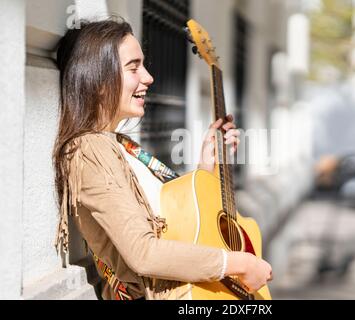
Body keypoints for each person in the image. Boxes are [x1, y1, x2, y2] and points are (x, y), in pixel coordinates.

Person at [52, 17, 272, 300]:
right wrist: (240, 263)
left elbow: (179, 228)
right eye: (133, 68)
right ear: (97, 79)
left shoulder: (121, 145)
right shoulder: (89, 149)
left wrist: (207, 164)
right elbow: (143, 253)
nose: (148, 77)